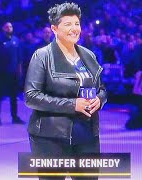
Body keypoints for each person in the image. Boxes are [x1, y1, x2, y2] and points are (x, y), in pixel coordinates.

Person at [24, 3, 107, 180]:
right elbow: (31, 96)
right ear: (54, 28)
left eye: (76, 24)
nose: (74, 29)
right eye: (68, 24)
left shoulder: (89, 55)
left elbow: (101, 89)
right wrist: (72, 105)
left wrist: (99, 99)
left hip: (87, 135)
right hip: (51, 137)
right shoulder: (42, 56)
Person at [0, 22, 24, 125]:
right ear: (3, 29)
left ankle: (14, 116)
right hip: (0, 72)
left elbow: (19, 58)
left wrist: (19, 70)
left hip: (13, 73)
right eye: (7, 27)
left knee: (13, 96)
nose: (9, 28)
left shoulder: (16, 41)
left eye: (10, 27)